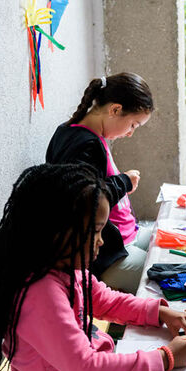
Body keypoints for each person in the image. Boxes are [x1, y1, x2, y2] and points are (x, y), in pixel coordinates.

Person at [0, 163, 186, 371]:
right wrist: (165, 359)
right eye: (96, 231)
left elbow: (105, 299)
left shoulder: (62, 266)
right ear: (57, 231)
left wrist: (159, 313)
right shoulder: (40, 295)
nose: (102, 241)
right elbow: (87, 368)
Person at [46, 72, 154, 294]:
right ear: (115, 110)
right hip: (108, 254)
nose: (131, 133)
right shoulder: (85, 145)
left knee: (164, 240)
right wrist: (124, 181)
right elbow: (89, 200)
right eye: (133, 124)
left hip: (125, 235)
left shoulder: (82, 135)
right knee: (158, 275)